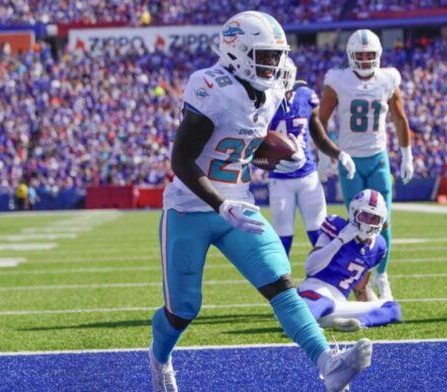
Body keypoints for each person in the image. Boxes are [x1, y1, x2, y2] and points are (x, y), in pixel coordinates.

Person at [149, 12, 372, 392]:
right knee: (183, 309)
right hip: (190, 207)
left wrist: (271, 153)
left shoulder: (271, 93)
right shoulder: (210, 86)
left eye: (276, 55)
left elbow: (244, 142)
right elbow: (181, 160)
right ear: (237, 52)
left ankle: (328, 363)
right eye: (266, 55)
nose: (274, 64)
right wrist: (221, 204)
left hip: (240, 205)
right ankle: (160, 359)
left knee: (281, 284)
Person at [317, 29, 413, 301]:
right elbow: (320, 121)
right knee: (356, 224)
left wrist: (407, 155)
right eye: (360, 55)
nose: (366, 60)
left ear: (379, 54)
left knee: (384, 222)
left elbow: (400, 118)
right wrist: (325, 156)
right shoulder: (338, 80)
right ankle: (357, 282)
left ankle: (382, 276)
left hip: (378, 157)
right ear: (350, 56)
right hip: (350, 161)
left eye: (370, 55)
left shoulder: (387, 79)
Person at [267, 58, 356, 256]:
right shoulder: (263, 101)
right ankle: (282, 285)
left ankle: (322, 281)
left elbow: (319, 136)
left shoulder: (305, 96)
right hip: (279, 178)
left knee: (320, 234)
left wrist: (339, 154)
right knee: (282, 238)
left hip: (307, 176)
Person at [298, 189, 402, 332]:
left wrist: (368, 307)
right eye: (365, 216)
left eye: (374, 218)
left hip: (338, 303)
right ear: (354, 212)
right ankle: (302, 325)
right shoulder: (336, 226)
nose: (370, 223)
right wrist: (340, 240)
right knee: (325, 302)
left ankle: (358, 323)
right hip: (314, 292)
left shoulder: (379, 246)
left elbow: (360, 288)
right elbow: (310, 267)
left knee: (392, 307)